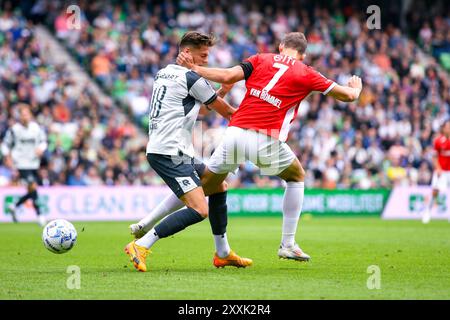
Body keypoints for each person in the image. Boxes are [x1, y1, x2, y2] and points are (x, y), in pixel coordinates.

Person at [143, 31, 360, 262]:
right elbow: (347, 96)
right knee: (296, 176)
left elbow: (227, 75)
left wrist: (196, 69)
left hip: (234, 133)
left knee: (205, 185)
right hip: (265, 137)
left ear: (280, 46)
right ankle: (287, 243)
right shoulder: (306, 72)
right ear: (303, 55)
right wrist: (356, 88)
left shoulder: (260, 59)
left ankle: (146, 225)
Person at [124, 31, 252, 272]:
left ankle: (223, 252)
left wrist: (222, 91)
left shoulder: (164, 73)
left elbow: (201, 110)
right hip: (169, 152)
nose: (205, 60)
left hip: (172, 149)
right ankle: (141, 244)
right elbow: (227, 113)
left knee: (217, 185)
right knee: (198, 209)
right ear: (187, 53)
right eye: (202, 55)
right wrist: (259, 120)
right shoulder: (191, 78)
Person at [1, 104, 48, 226]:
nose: (25, 117)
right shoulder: (14, 130)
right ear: (19, 116)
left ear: (30, 115)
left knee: (32, 190)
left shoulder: (36, 128)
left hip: (34, 163)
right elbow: (5, 145)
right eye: (23, 115)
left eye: (27, 114)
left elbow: (44, 141)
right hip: (21, 163)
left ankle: (14, 205)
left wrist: (41, 149)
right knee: (32, 186)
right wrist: (7, 157)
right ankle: (40, 216)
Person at [422, 120, 450, 224]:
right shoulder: (438, 141)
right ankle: (427, 211)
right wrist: (438, 168)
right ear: (444, 129)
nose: (449, 129)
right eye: (447, 127)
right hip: (441, 171)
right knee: (435, 192)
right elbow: (434, 157)